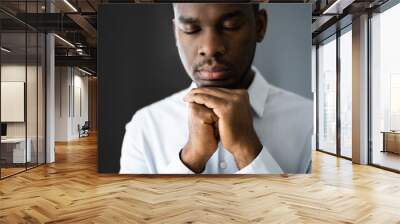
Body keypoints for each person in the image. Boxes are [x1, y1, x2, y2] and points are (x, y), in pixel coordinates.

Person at [120, 3, 313, 174]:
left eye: (231, 26)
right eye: (190, 29)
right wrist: (190, 159)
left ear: (260, 26)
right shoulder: (144, 127)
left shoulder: (309, 122)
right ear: (176, 33)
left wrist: (247, 151)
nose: (210, 48)